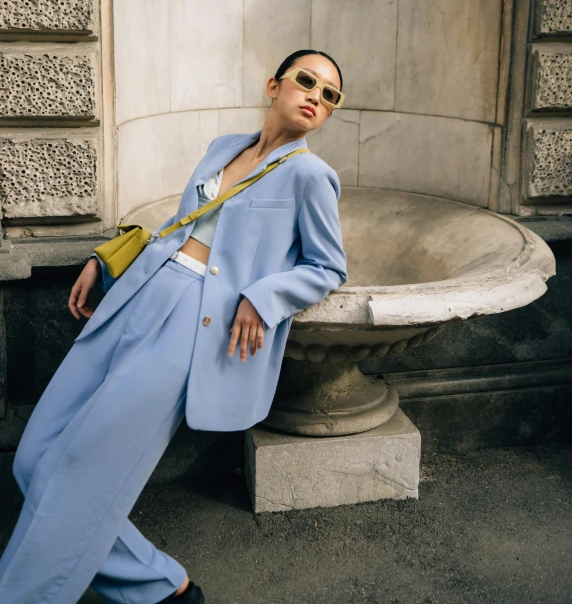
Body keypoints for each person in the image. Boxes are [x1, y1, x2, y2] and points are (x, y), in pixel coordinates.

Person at [0, 49, 348, 604]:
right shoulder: (222, 148)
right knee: (34, 455)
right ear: (273, 85)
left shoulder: (310, 175)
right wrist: (108, 261)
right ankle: (162, 588)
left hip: (193, 322)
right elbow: (179, 224)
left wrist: (263, 296)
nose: (316, 97)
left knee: (81, 474)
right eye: (307, 81)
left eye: (330, 95)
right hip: (138, 295)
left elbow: (328, 266)